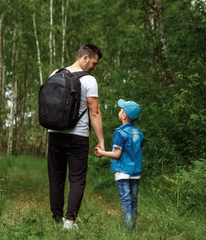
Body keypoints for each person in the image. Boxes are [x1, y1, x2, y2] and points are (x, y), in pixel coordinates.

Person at [47, 43, 105, 230]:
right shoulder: (89, 80)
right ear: (85, 58)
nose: (95, 68)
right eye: (94, 63)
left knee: (56, 178)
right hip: (77, 137)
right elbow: (94, 112)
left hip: (54, 134)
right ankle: (69, 222)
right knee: (77, 179)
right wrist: (101, 140)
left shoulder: (55, 74)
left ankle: (56, 220)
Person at [95, 99, 144, 230]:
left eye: (121, 110)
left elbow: (117, 154)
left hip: (122, 171)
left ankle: (128, 229)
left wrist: (102, 152)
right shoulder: (139, 133)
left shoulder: (119, 132)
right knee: (133, 200)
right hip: (135, 171)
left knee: (126, 200)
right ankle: (132, 227)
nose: (119, 111)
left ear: (124, 116)